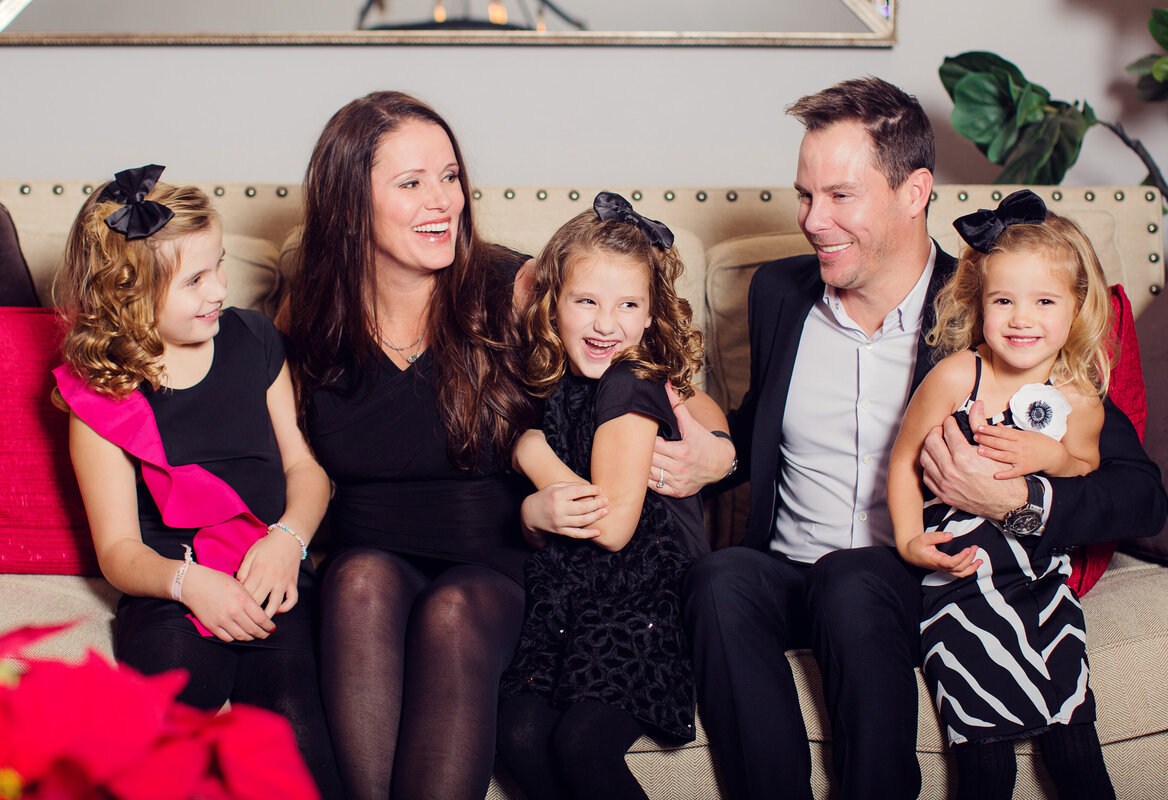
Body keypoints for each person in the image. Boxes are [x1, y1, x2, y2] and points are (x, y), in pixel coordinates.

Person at [677, 77, 1168, 800]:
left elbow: (1140, 494)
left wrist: (1017, 500)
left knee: (852, 579)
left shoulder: (994, 310)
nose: (813, 220)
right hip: (789, 570)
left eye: (840, 196)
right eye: (805, 195)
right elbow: (764, 427)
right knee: (718, 580)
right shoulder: (779, 294)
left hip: (919, 581)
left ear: (915, 192)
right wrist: (711, 454)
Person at [286, 92, 730, 800]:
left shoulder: (513, 285)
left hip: (500, 559)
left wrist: (719, 451)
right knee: (358, 580)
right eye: (412, 183)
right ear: (347, 207)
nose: (443, 202)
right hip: (372, 559)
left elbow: (663, 383)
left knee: (452, 612)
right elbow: (277, 454)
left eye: (451, 176)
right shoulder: (307, 315)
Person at [52, 165, 341, 798]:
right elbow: (119, 551)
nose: (220, 288)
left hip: (275, 573)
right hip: (172, 586)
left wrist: (287, 541)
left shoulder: (255, 340)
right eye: (195, 279)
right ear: (129, 294)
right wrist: (188, 585)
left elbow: (305, 470)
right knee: (162, 726)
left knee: (296, 718)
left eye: (219, 265)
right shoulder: (102, 398)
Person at [888, 190, 1116, 799]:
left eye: (1044, 301)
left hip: (1041, 579)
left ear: (1076, 309)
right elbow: (905, 459)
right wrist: (911, 540)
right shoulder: (959, 375)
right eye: (1003, 301)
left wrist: (1054, 457)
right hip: (960, 579)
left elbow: (1088, 473)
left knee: (1073, 730)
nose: (1022, 318)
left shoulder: (1079, 400)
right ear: (978, 305)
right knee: (985, 752)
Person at [495, 193, 715, 800]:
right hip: (567, 606)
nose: (605, 324)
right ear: (553, 305)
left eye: (627, 305)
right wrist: (531, 512)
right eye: (585, 301)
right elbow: (550, 526)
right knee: (515, 735)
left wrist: (531, 454)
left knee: (581, 745)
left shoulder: (629, 383)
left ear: (651, 317)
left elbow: (612, 527)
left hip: (638, 610)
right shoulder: (561, 384)